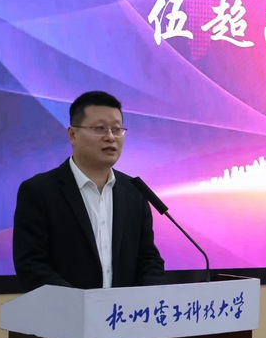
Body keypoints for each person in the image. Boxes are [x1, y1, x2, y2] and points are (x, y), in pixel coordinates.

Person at [13, 90, 167, 291]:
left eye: (117, 129)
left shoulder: (135, 192)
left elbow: (148, 259)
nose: (110, 137)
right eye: (100, 129)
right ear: (73, 135)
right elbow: (32, 265)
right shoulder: (39, 191)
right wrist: (81, 304)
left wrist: (153, 295)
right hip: (66, 310)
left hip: (123, 310)